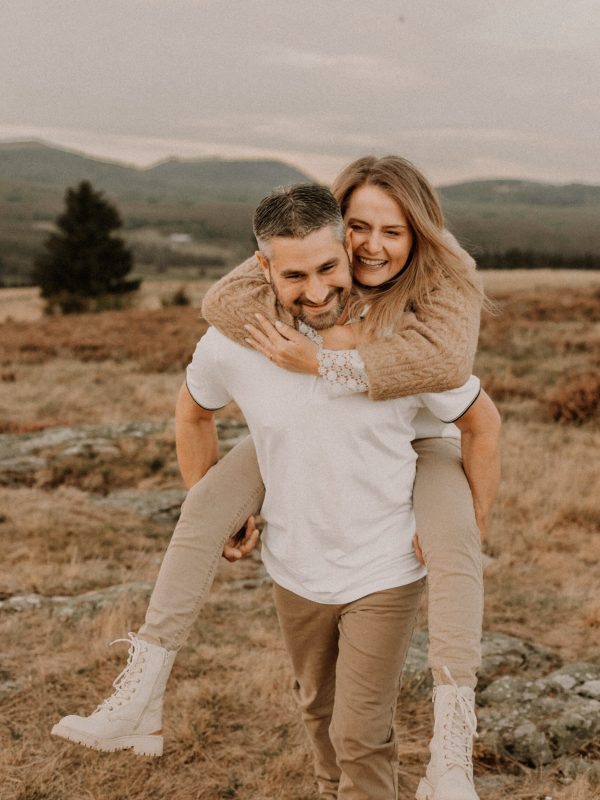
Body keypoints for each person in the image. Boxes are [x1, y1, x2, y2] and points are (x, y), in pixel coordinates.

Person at [52, 162, 501, 799]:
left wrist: (326, 360)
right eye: (358, 230)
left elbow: (472, 405)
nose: (370, 247)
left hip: (399, 515)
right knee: (314, 703)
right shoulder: (250, 324)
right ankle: (141, 693)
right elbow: (201, 383)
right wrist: (232, 505)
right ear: (336, 234)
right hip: (298, 558)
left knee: (360, 729)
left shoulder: (414, 322)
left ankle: (450, 756)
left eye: (391, 232)